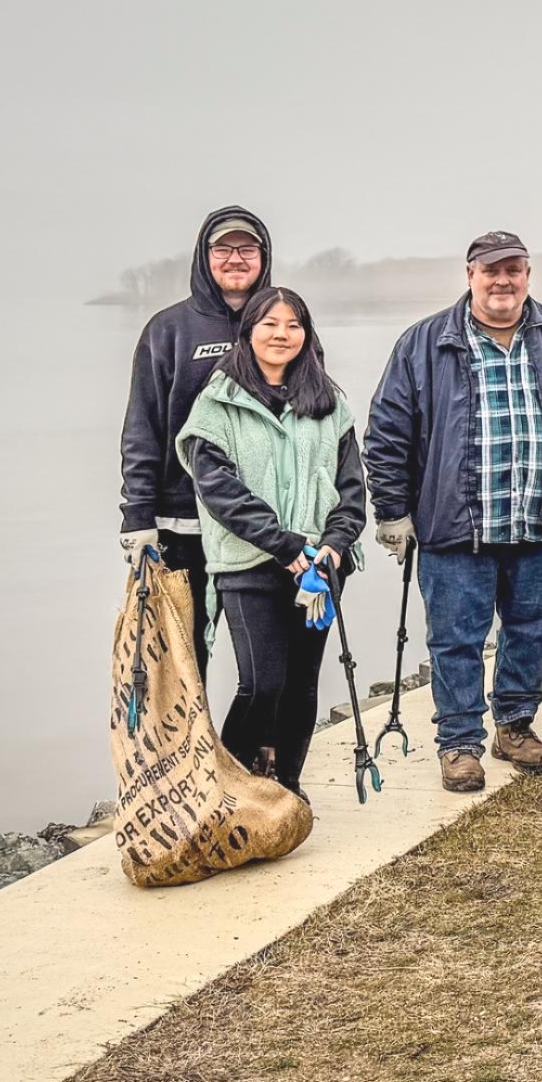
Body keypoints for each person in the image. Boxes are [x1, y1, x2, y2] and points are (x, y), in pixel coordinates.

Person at [366, 231, 542, 793]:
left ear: (528, 275)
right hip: (454, 527)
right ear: (470, 275)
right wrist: (391, 511)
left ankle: (513, 724)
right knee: (455, 638)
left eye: (514, 270)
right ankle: (459, 743)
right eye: (491, 271)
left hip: (538, 523)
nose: (502, 281)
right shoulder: (423, 343)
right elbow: (386, 433)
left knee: (530, 631)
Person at [175, 287, 366, 798]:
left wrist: (335, 542)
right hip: (248, 564)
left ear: (307, 335)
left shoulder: (330, 404)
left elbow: (352, 489)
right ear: (248, 332)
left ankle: (287, 788)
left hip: (320, 567)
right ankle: (229, 792)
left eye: (293, 325)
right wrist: (284, 545)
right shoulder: (216, 404)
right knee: (262, 684)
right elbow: (218, 491)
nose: (282, 335)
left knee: (303, 684)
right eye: (270, 324)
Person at [119, 206, 274, 681]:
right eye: (222, 248)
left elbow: (314, 421)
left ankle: (259, 753)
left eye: (246, 248)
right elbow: (142, 425)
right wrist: (137, 516)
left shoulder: (283, 324)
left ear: (263, 257)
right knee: (183, 661)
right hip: (181, 526)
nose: (234, 258)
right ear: (204, 257)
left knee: (264, 664)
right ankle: (189, 752)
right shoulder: (169, 330)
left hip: (264, 524)